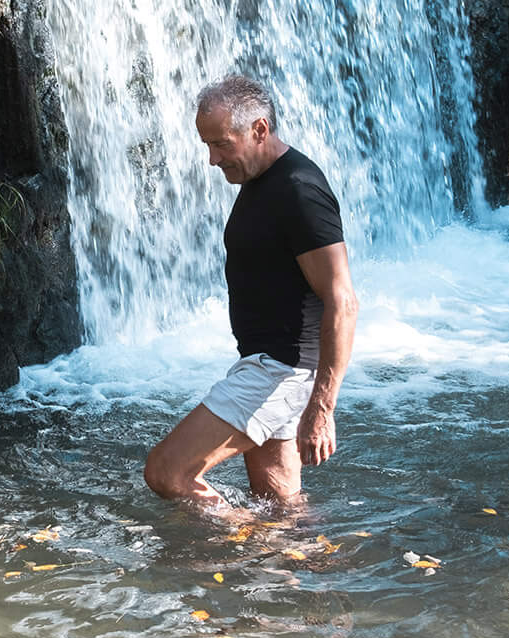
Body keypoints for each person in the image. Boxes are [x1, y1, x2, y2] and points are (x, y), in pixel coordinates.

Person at [143, 75, 359, 517]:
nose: (211, 159)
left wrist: (322, 406)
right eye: (207, 145)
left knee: (167, 472)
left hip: (278, 372)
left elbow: (343, 300)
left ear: (259, 129)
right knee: (281, 509)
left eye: (221, 144)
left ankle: (248, 540)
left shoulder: (299, 190)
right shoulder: (263, 181)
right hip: (270, 366)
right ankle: (305, 576)